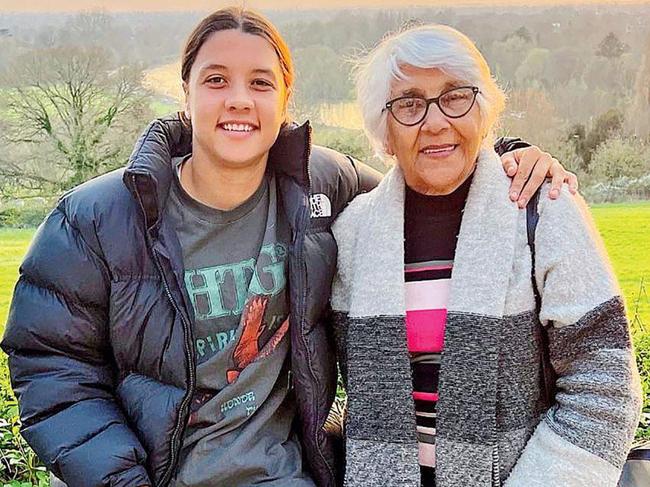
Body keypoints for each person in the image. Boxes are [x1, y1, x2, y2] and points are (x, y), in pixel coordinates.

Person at [2, 8, 577, 487]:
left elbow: (427, 179)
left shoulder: (325, 187)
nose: (239, 100)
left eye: (260, 83)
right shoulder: (96, 219)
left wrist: (509, 156)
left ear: (284, 98)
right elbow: (50, 365)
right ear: (186, 93)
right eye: (216, 79)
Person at [330, 23, 642, 487]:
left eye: (455, 96)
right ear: (385, 131)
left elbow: (604, 389)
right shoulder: (352, 233)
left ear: (484, 111)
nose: (436, 121)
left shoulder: (543, 209)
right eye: (410, 104)